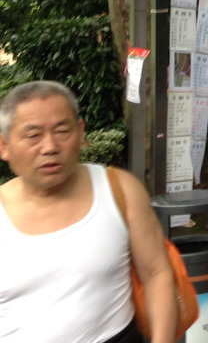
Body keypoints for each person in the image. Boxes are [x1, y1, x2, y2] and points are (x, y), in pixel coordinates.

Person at [0, 81, 177, 343]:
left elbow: (156, 273)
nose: (50, 147)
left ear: (81, 132)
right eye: (33, 135)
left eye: (62, 131)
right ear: (4, 146)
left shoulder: (120, 190)